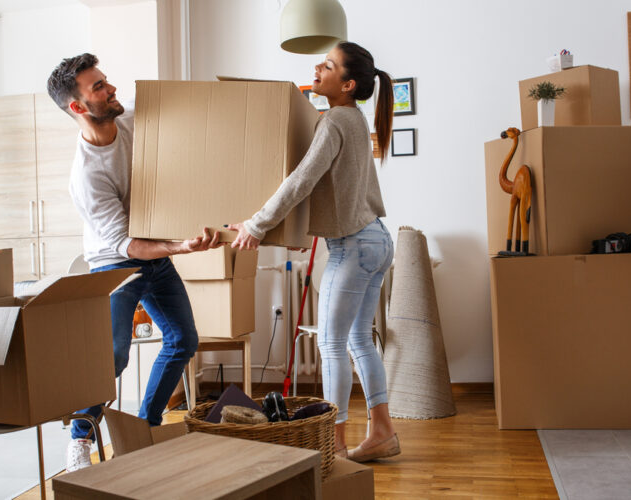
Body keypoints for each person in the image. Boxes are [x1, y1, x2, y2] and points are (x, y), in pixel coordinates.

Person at [47, 53, 221, 472]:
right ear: (78, 107)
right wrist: (179, 247)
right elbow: (127, 244)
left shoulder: (129, 121)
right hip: (115, 265)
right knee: (113, 356)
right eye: (99, 88)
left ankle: (145, 428)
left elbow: (179, 116)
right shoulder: (86, 176)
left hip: (155, 257)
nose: (111, 90)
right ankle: (80, 438)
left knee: (183, 340)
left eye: (106, 81)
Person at [228, 41, 399, 462]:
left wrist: (257, 224)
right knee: (359, 339)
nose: (317, 69)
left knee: (332, 345)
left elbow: (301, 180)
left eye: (328, 65)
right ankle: (383, 434)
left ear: (348, 83)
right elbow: (331, 192)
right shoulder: (353, 119)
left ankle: (334, 447)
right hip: (376, 240)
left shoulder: (335, 120)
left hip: (354, 247)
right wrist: (293, 231)